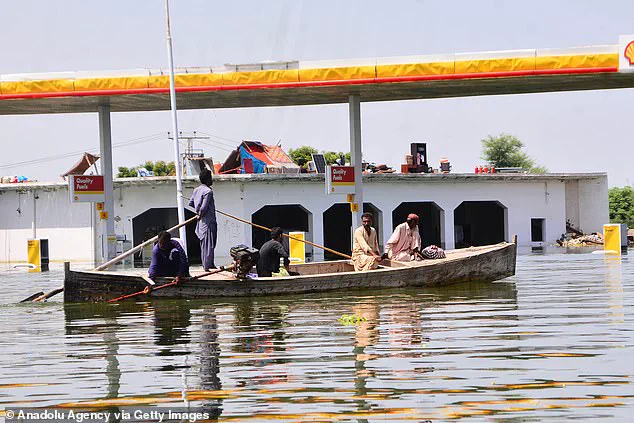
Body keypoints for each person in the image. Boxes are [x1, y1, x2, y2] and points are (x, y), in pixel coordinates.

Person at [189, 169, 217, 271]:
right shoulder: (208, 191)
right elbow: (204, 207)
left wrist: (198, 210)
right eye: (210, 177)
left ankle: (209, 264)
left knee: (205, 244)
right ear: (207, 179)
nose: (212, 180)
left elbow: (191, 203)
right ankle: (208, 266)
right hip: (208, 222)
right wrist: (200, 213)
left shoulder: (196, 190)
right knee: (209, 244)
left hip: (201, 222)